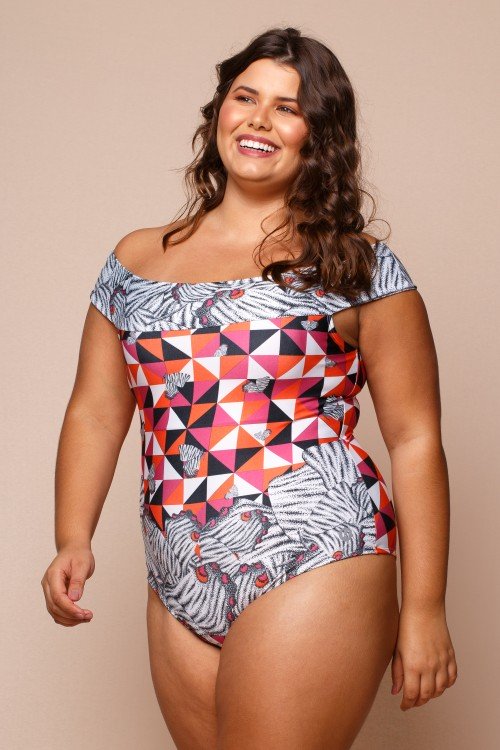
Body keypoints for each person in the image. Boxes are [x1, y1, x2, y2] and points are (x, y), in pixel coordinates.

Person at [41, 26, 457, 750]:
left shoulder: (358, 268)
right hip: (177, 571)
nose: (260, 120)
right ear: (219, 112)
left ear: (318, 136)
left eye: (288, 109)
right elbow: (97, 412)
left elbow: (415, 438)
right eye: (245, 97)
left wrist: (424, 607)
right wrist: (71, 537)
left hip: (317, 551)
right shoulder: (135, 261)